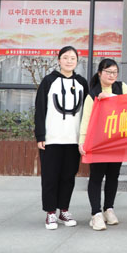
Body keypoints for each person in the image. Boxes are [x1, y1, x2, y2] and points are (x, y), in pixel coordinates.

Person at [34, 46, 89, 230]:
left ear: (77, 61)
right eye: (65, 57)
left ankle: (64, 210)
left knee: (68, 177)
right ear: (59, 60)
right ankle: (50, 212)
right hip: (52, 138)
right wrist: (40, 135)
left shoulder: (81, 82)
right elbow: (40, 109)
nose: (69, 61)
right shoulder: (49, 81)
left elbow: (88, 111)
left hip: (73, 139)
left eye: (72, 58)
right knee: (50, 176)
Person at [78, 58, 127, 231]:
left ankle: (109, 209)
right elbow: (86, 119)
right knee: (96, 176)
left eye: (115, 72)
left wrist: (111, 98)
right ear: (100, 73)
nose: (112, 75)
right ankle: (96, 213)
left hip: (117, 140)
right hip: (98, 141)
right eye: (108, 72)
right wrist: (82, 141)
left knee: (113, 175)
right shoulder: (92, 94)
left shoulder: (122, 87)